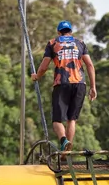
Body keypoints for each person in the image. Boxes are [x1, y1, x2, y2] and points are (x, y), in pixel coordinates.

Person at [32, 20, 97, 151]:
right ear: (71, 32)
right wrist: (93, 87)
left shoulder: (53, 43)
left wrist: (37, 76)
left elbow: (44, 66)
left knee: (57, 120)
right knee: (72, 120)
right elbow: (89, 65)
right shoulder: (80, 43)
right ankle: (66, 153)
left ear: (58, 32)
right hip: (80, 84)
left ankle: (63, 140)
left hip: (62, 83)